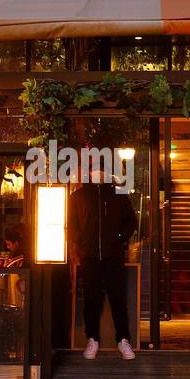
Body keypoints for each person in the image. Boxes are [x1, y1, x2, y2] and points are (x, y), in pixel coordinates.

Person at [68, 154, 139, 361]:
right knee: (92, 300)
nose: (97, 174)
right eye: (94, 170)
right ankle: (92, 340)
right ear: (89, 174)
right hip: (89, 257)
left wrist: (119, 238)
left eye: (101, 170)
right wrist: (80, 241)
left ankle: (123, 340)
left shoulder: (119, 195)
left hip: (113, 256)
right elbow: (71, 224)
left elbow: (131, 222)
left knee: (118, 300)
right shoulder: (78, 197)